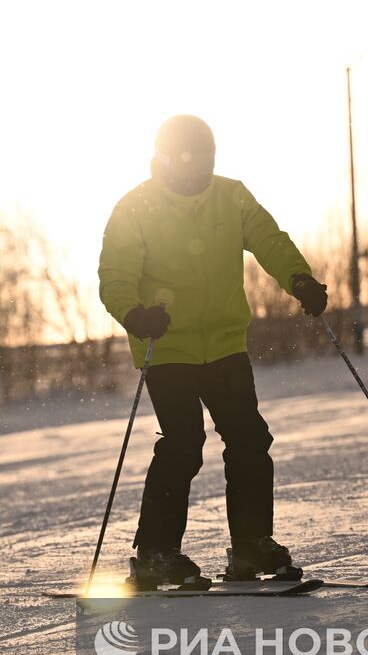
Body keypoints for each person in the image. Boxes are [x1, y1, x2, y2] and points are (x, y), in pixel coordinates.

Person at [98, 115, 330, 589]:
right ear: (164, 160)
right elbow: (115, 275)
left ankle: (251, 546)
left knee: (248, 440)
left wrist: (299, 279)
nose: (196, 169)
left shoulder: (231, 196)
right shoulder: (136, 207)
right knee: (183, 445)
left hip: (224, 344)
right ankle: (155, 554)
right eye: (186, 160)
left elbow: (270, 241)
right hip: (167, 348)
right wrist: (134, 314)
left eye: (204, 160)